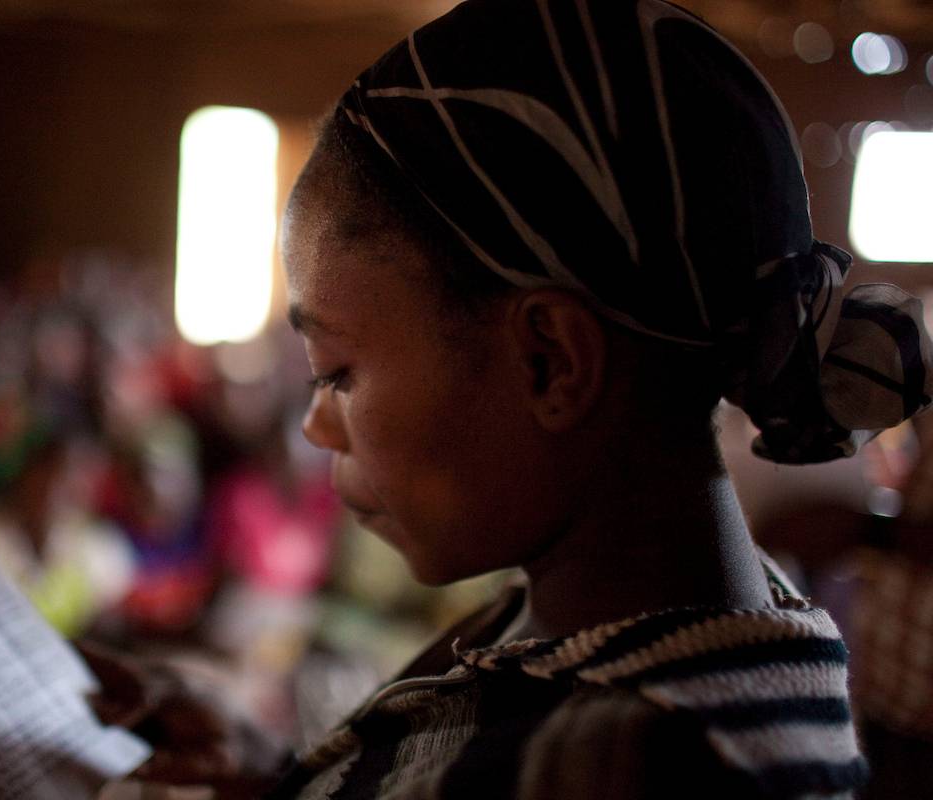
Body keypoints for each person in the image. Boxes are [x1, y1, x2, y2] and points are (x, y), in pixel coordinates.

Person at [86, 0, 933, 797]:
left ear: (551, 363)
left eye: (338, 371)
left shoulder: (622, 766)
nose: (316, 422)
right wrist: (277, 772)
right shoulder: (613, 616)